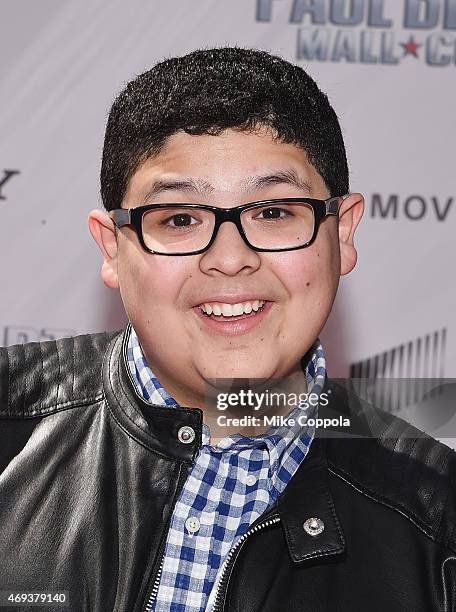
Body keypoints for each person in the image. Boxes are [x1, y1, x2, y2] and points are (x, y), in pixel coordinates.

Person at [0, 47, 455, 612]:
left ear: (342, 237)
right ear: (112, 248)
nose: (231, 258)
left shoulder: (439, 530)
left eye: (273, 212)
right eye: (181, 219)